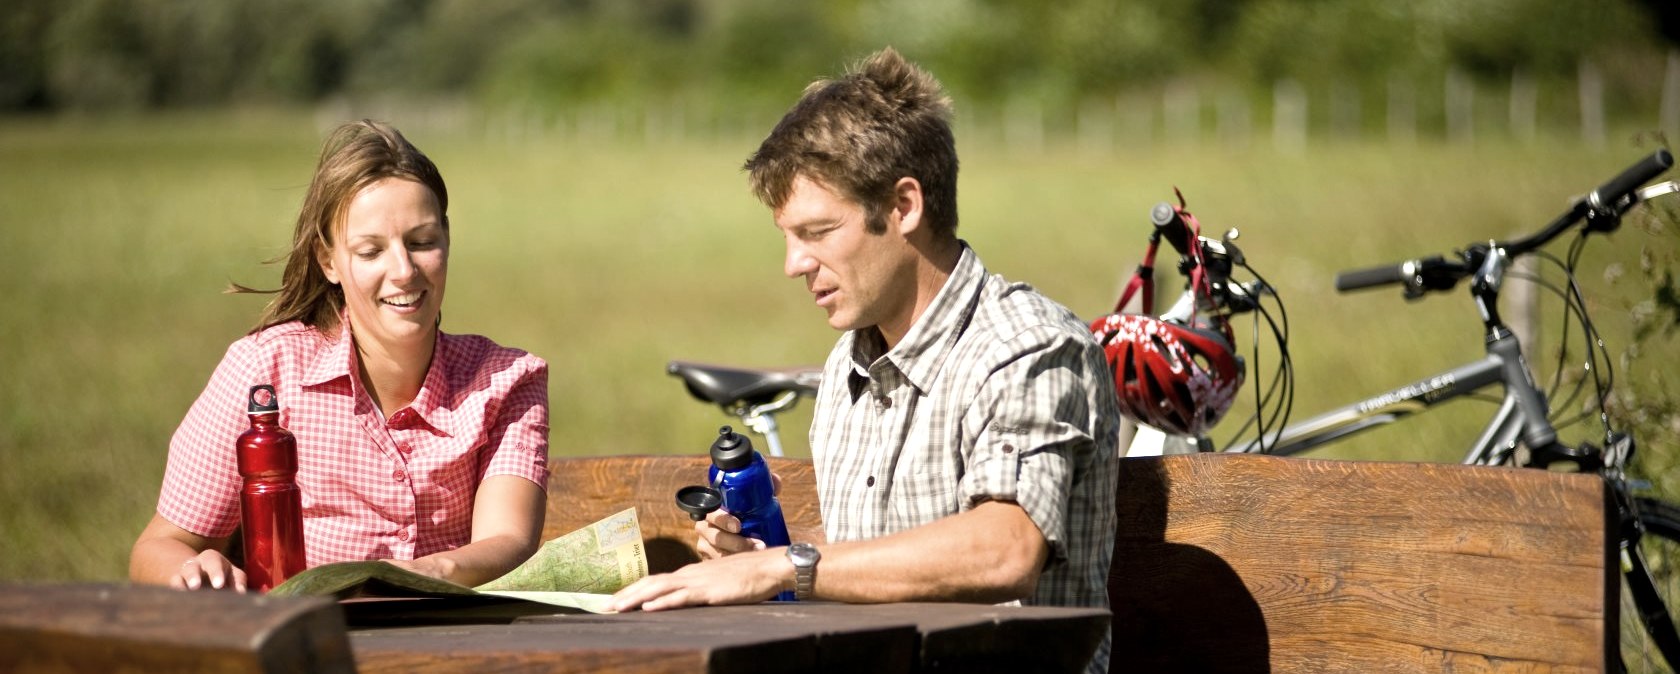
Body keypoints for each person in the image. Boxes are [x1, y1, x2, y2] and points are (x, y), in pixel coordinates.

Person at [610, 48, 1118, 673]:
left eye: (817, 233)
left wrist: (780, 567)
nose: (793, 264)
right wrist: (760, 557)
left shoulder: (1027, 347)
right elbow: (869, 553)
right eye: (787, 238)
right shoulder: (850, 363)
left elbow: (1004, 550)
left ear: (904, 207)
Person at [129, 120, 549, 592]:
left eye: (422, 242)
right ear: (328, 261)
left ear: (447, 239)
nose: (404, 271)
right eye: (370, 252)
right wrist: (191, 572)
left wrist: (424, 573)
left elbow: (508, 539)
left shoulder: (508, 378)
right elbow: (159, 546)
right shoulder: (264, 371)